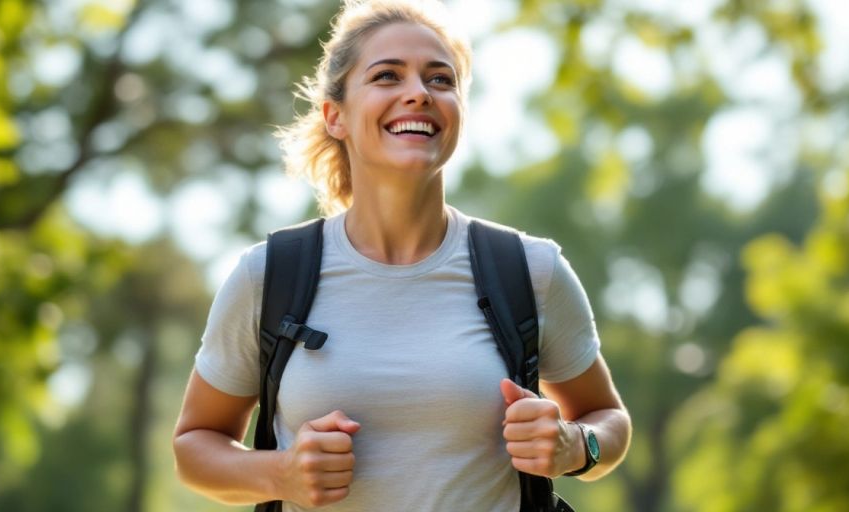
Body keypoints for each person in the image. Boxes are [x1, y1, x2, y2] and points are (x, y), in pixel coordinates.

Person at [172, 0, 631, 510]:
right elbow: (194, 446)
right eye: (387, 76)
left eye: (440, 80)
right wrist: (280, 473)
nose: (418, 93)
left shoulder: (529, 270)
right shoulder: (270, 275)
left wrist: (575, 446)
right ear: (335, 115)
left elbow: (607, 419)